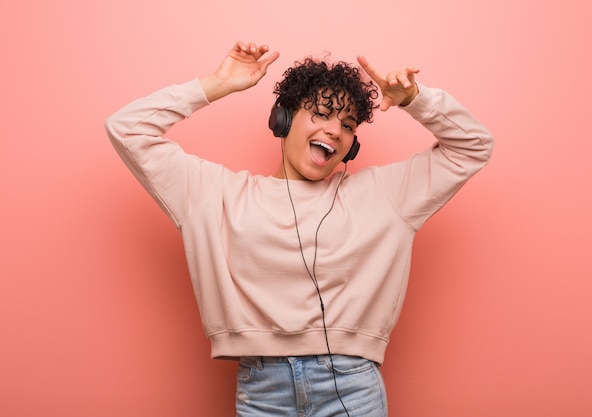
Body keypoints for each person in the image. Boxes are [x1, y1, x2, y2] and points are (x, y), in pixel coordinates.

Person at [105, 40, 493, 417]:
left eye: (347, 125)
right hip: (262, 389)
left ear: (352, 145)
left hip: (352, 386)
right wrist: (215, 85)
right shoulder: (215, 195)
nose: (335, 131)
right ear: (283, 120)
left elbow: (473, 145)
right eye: (321, 114)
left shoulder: (383, 195)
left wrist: (415, 100)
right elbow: (127, 129)